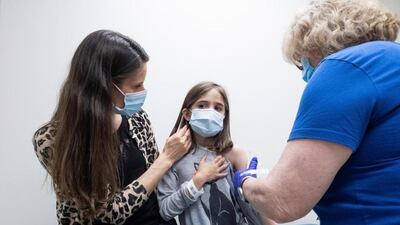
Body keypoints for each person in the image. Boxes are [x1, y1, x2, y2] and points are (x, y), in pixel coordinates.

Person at [233, 0, 400, 224]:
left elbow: (283, 201)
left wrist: (246, 182)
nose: (305, 74)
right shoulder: (390, 61)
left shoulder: (344, 66)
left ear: (314, 39)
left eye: (302, 63)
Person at [32, 30, 191, 225]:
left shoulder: (137, 118)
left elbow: (155, 184)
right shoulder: (51, 140)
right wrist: (166, 158)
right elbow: (108, 213)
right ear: (104, 86)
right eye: (136, 85)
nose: (143, 92)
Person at [157, 82, 274, 225]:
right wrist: (198, 180)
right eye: (202, 106)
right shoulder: (173, 156)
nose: (210, 112)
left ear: (224, 116)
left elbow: (249, 207)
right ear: (187, 114)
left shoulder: (234, 154)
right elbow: (165, 210)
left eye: (218, 108)